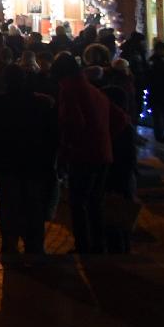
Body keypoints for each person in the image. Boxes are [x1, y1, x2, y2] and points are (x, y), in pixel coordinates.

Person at [0, 62, 57, 255]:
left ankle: (10, 246)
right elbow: (53, 135)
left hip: (7, 165)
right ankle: (34, 247)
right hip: (34, 164)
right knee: (33, 207)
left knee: (9, 207)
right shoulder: (40, 104)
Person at [53, 52, 120, 254]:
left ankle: (83, 245)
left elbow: (73, 123)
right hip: (102, 151)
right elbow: (118, 117)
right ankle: (99, 244)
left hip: (84, 154)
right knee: (95, 201)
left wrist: (67, 149)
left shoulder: (70, 90)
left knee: (78, 201)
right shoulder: (91, 89)